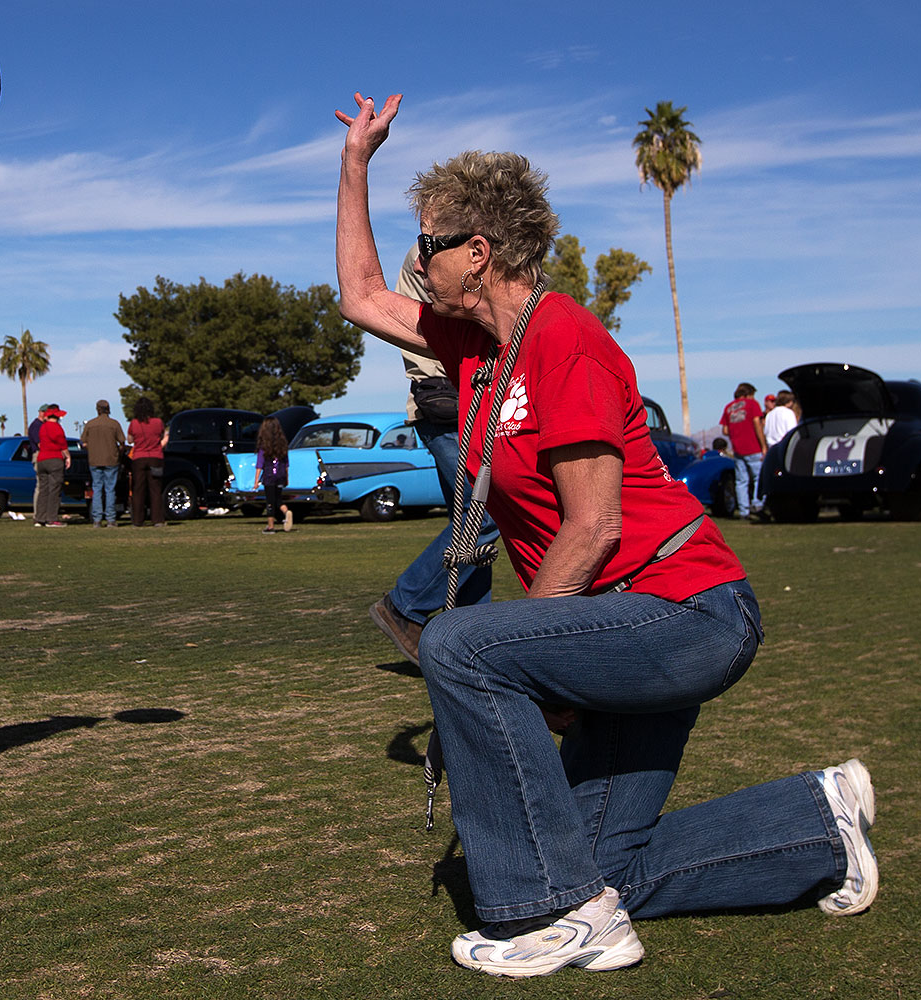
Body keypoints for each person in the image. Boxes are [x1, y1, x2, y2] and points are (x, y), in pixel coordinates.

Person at [334, 92, 875, 979]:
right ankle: (816, 826)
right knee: (597, 860)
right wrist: (356, 162)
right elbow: (360, 294)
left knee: (459, 642)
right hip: (616, 620)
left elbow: (593, 526)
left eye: (428, 244)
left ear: (479, 252)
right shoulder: (475, 347)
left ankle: (551, 915)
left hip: (687, 610)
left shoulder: (565, 340)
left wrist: (536, 655)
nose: (417, 261)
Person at [370, 246, 496, 665]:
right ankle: (404, 604)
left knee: (469, 527)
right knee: (485, 515)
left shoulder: (445, 249)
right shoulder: (434, 252)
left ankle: (473, 645)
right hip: (449, 404)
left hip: (453, 404)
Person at [720, 382, 767, 521]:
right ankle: (758, 505)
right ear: (748, 394)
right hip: (753, 447)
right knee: (758, 478)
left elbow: (725, 430)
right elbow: (757, 423)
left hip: (738, 449)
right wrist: (763, 445)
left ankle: (743, 510)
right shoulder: (752, 404)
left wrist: (737, 432)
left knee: (741, 481)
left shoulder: (728, 407)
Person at [81, 399, 126, 527]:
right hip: (111, 460)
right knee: (110, 489)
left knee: (97, 489)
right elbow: (122, 442)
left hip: (94, 460)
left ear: (97, 410)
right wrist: (119, 452)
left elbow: (83, 442)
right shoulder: (114, 424)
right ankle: (111, 519)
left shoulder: (90, 424)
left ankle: (97, 519)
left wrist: (91, 448)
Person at [127, 396, 168, 527]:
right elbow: (162, 436)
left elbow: (130, 440)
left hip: (139, 458)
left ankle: (137, 520)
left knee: (138, 490)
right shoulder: (158, 422)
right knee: (155, 489)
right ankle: (157, 520)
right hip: (155, 457)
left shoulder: (134, 423)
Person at [253, 416, 292, 533]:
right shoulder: (282, 445)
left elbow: (260, 464)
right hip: (280, 475)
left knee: (270, 501)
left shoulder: (264, 446)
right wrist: (286, 478)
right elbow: (286, 463)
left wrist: (256, 481)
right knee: (278, 499)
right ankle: (286, 512)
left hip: (269, 476)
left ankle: (270, 526)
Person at [33, 405, 69, 527]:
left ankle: (40, 518)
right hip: (54, 459)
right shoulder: (56, 427)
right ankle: (52, 519)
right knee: (54, 490)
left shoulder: (42, 427)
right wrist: (68, 456)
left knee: (43, 489)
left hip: (42, 459)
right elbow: (62, 443)